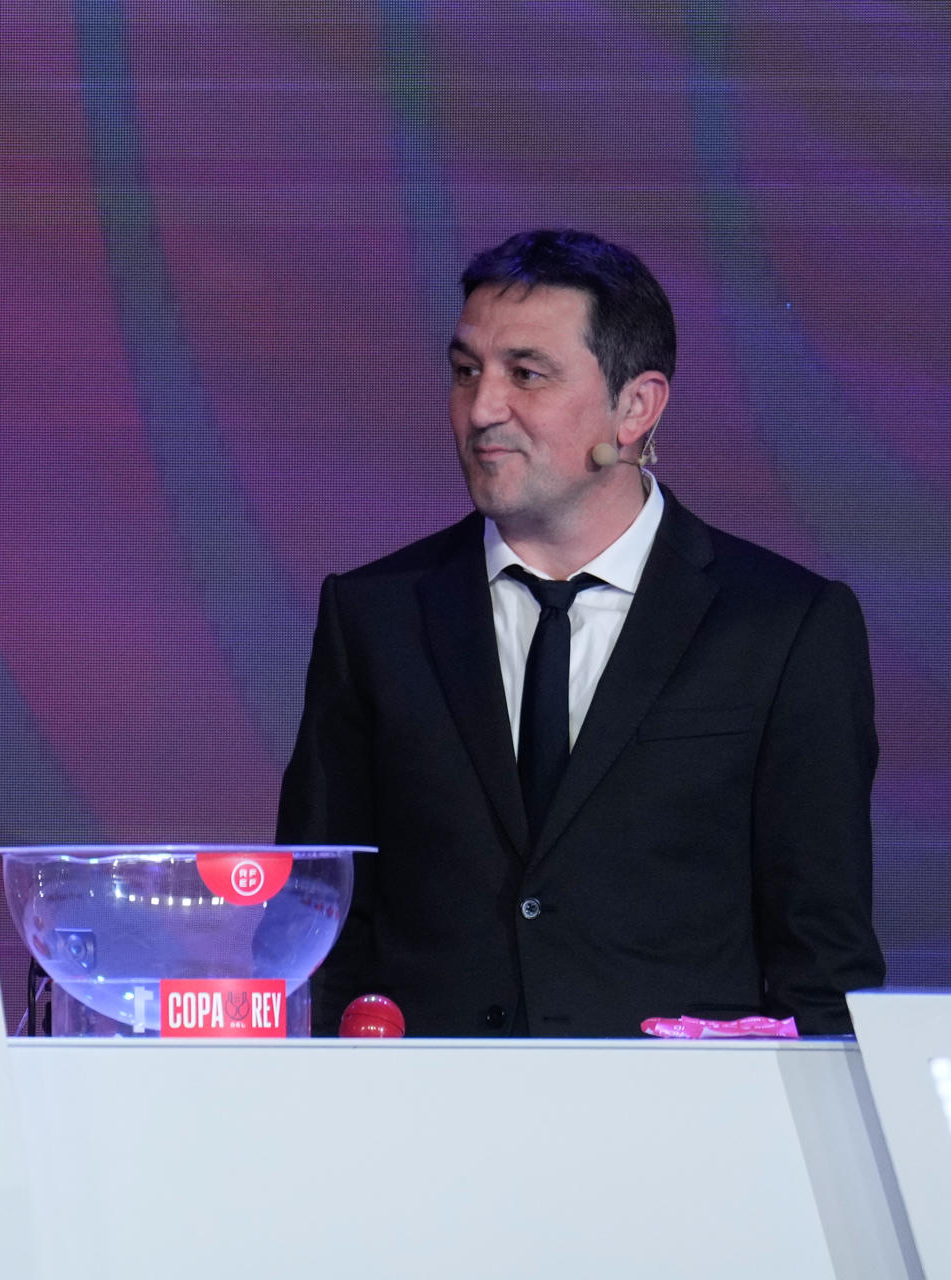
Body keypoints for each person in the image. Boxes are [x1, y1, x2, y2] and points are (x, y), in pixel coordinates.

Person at [277, 229, 884, 1037]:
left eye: (526, 374)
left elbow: (823, 957)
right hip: (424, 1129)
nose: (483, 408)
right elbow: (320, 924)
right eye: (466, 373)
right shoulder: (376, 615)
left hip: (684, 1137)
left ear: (636, 407)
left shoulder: (782, 626)